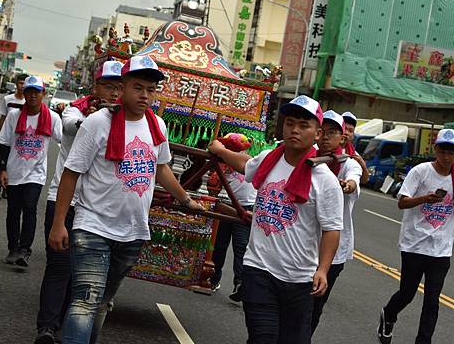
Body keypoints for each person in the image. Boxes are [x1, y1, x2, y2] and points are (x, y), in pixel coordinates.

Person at [48, 55, 204, 344]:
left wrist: (186, 200)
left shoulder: (157, 125)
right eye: (138, 87)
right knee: (85, 299)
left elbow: (161, 169)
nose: (145, 95)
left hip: (133, 232)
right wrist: (59, 223)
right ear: (122, 88)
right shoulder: (97, 123)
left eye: (151, 90)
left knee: (102, 301)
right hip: (92, 226)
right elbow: (71, 173)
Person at [208, 95, 343, 344]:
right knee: (263, 337)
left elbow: (332, 229)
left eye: (304, 125)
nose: (295, 130)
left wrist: (323, 269)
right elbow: (247, 164)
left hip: (300, 279)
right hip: (259, 268)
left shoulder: (325, 180)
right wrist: (220, 150)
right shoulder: (270, 159)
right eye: (290, 123)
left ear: (317, 133)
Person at [34, 61, 123, 344]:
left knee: (82, 273)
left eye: (119, 87)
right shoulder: (77, 111)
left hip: (95, 209)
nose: (113, 92)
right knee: (59, 266)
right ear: (96, 87)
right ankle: (47, 328)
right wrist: (99, 117)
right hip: (63, 200)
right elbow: (71, 126)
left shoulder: (131, 122)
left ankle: (66, 325)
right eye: (108, 86)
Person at [377, 128, 454, 344]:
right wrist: (424, 199)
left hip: (441, 248)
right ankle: (389, 314)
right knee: (407, 293)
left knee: (432, 301)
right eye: (443, 151)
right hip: (414, 245)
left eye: (452, 152)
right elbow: (402, 202)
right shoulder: (420, 172)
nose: (447, 157)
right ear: (435, 149)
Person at [0, 76, 62, 268]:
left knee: (30, 208)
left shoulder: (52, 117)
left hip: (36, 173)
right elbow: (5, 143)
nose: (33, 95)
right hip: (14, 170)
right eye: (29, 92)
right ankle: (13, 248)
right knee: (13, 211)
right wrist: (2, 169)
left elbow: (65, 139)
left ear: (44, 94)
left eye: (37, 92)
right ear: (24, 93)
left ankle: (25, 250)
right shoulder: (14, 116)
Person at [310, 110, 362, 333]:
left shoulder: (348, 163)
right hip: (304, 244)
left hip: (333, 251)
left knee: (314, 306)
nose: (325, 137)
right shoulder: (307, 156)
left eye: (333, 132)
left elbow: (354, 180)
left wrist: (345, 185)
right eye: (323, 131)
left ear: (342, 138)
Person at [207, 151, 256, 302]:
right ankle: (213, 278)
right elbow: (212, 187)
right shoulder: (224, 164)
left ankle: (240, 283)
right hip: (225, 206)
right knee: (219, 245)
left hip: (246, 209)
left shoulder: (253, 164)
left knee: (241, 246)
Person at [0, 73, 27, 200]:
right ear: (16, 84)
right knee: (2, 162)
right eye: (20, 83)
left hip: (19, 139)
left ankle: (8, 189)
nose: (22, 86)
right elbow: (2, 119)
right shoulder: (8, 99)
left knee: (13, 164)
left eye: (24, 83)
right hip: (6, 137)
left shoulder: (28, 102)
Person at [341, 111, 370, 184]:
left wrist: (362, 164)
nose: (346, 133)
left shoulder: (354, 155)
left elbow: (364, 180)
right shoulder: (320, 148)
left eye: (350, 131)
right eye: (344, 128)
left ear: (353, 135)